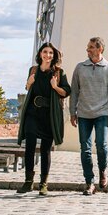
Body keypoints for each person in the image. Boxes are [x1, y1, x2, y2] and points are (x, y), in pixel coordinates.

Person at [16, 42, 71, 196]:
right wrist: (29, 82)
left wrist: (55, 86)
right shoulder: (33, 70)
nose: (48, 55)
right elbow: (28, 89)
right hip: (32, 113)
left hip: (49, 115)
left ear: (54, 56)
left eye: (51, 53)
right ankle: (28, 182)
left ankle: (43, 184)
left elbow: (66, 91)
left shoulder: (59, 73)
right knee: (30, 147)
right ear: (40, 54)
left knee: (46, 150)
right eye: (45, 52)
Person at [70, 37, 108, 195]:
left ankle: (102, 171)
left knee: (101, 144)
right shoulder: (80, 67)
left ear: (100, 49)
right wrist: (73, 112)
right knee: (85, 149)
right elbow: (74, 92)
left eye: (91, 47)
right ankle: (89, 182)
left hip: (102, 113)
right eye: (88, 47)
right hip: (84, 113)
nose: (88, 50)